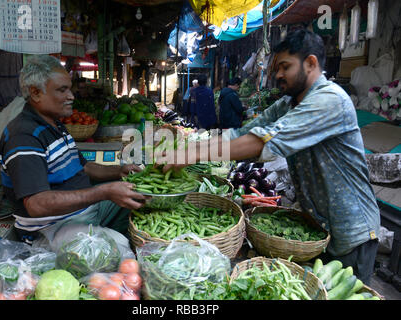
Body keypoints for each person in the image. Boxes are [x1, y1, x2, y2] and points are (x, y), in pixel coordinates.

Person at [158, 29, 380, 285]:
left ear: (310, 63)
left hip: (351, 231)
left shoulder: (329, 100)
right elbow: (243, 132)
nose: (278, 75)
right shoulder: (288, 104)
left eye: (285, 67)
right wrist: (190, 149)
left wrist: (190, 156)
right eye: (277, 68)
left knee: (343, 290)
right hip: (320, 227)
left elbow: (263, 142)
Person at [0, 55, 147, 245]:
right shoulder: (23, 136)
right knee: (121, 246)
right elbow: (37, 204)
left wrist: (119, 171)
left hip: (84, 211)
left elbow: (84, 168)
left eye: (69, 88)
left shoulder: (54, 125)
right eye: (62, 90)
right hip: (53, 228)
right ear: (35, 93)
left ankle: (107, 238)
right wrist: (104, 192)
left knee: (140, 201)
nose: (71, 96)